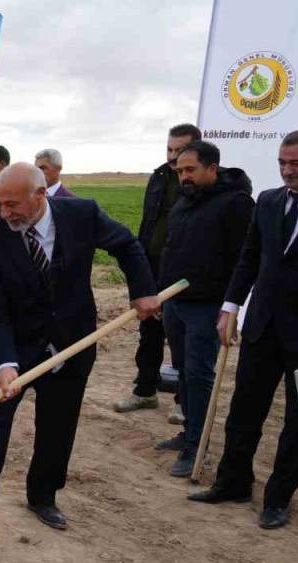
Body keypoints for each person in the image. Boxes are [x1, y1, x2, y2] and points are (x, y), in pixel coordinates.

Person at [0, 163, 158, 536]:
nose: (4, 213)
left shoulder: (82, 214)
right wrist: (5, 364)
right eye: (0, 204)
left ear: (40, 195)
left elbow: (126, 244)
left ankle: (43, 496)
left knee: (58, 424)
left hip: (73, 339)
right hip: (15, 343)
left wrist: (142, 290)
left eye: (12, 205)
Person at [189, 130, 298, 529]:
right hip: (262, 328)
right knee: (244, 411)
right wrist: (230, 306)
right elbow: (249, 258)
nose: (287, 171)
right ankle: (233, 483)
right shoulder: (268, 201)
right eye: (282, 163)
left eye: (296, 164)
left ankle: (278, 499)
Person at [156, 141, 253, 476]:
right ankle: (188, 433)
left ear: (212, 168)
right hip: (176, 302)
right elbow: (172, 248)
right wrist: (161, 294)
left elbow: (245, 260)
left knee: (199, 375)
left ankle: (199, 446)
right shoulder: (186, 200)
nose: (184, 176)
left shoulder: (236, 204)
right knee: (183, 371)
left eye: (190, 170)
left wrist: (230, 307)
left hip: (207, 306)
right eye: (180, 170)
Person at [115, 124, 200, 423]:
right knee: (148, 335)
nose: (173, 157)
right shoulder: (159, 177)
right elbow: (147, 224)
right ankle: (145, 390)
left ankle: (183, 401)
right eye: (169, 149)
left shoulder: (199, 182)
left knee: (181, 342)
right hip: (151, 269)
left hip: (180, 276)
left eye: (180, 150)